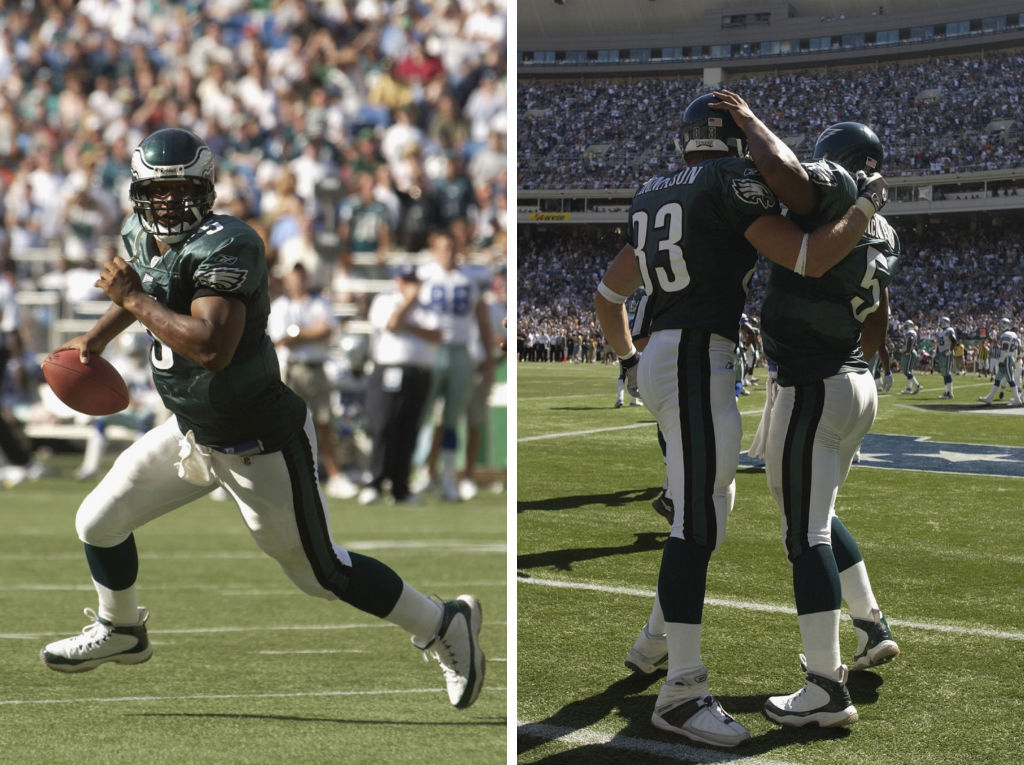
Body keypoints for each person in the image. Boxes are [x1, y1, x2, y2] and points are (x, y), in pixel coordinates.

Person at [38, 129, 485, 711]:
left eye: (181, 191)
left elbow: (210, 347)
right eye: (158, 191)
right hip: (191, 430)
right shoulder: (138, 236)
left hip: (257, 442)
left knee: (323, 574)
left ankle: (441, 622)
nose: (168, 203)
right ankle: (123, 630)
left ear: (206, 189)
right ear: (138, 193)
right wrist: (94, 341)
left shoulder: (229, 243)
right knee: (97, 520)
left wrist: (132, 301)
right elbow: (145, 289)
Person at [594, 92, 889, 747]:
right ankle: (681, 691)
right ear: (733, 141)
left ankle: (653, 646)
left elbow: (610, 292)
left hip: (666, 359)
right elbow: (807, 256)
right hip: (699, 353)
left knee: (709, 510)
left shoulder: (651, 190)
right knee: (699, 521)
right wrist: (865, 207)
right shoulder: (730, 180)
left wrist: (627, 361)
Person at [738, 118, 902, 728]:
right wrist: (865, 358)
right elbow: (879, 314)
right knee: (818, 516)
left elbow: (786, 173)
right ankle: (870, 624)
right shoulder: (885, 228)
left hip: (815, 382)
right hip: (852, 382)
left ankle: (824, 687)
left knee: (803, 535)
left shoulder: (837, 186)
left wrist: (750, 122)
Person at [415, 229, 494, 502]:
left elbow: (482, 320)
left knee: (452, 419)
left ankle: (449, 479)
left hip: (461, 351)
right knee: (422, 414)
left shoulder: (470, 279)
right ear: (435, 249)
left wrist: (488, 360)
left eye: (452, 247)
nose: (448, 253)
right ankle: (422, 473)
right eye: (443, 247)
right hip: (431, 351)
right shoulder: (424, 276)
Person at [268, 263, 358, 500]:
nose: (298, 282)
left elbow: (326, 331)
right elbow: (280, 339)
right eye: (294, 278)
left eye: (301, 277)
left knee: (324, 422)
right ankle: (284, 476)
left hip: (316, 368)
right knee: (286, 425)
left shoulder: (320, 303)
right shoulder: (280, 306)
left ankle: (334, 474)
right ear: (287, 280)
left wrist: (297, 333)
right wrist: (308, 332)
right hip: (291, 369)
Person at [360, 264, 441, 506]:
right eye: (405, 280)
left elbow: (437, 334)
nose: (409, 285)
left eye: (412, 280)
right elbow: (393, 324)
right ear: (397, 281)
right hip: (389, 370)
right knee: (383, 426)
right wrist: (408, 305)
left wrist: (410, 325)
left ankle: (400, 488)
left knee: (409, 430)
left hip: (419, 372)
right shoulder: (386, 301)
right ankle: (375, 482)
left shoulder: (428, 305)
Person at [614, 288, 647, 408]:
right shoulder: (643, 312)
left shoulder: (627, 314)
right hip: (637, 346)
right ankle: (634, 399)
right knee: (637, 373)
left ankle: (620, 398)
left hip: (624, 345)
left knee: (623, 373)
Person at [978, 317, 1023, 405]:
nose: (1000, 326)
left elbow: (1005, 348)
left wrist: (1001, 360)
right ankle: (989, 398)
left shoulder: (1005, 335)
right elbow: (1016, 349)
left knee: (1011, 380)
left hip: (1006, 359)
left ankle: (1017, 400)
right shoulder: (1014, 334)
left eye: (1001, 325)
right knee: (997, 379)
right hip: (1010, 358)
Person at [898, 320, 922, 394]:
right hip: (911, 351)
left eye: (906, 325)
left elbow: (911, 339)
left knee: (906, 371)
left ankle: (916, 385)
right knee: (909, 371)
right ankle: (908, 388)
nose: (905, 327)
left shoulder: (910, 332)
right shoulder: (911, 332)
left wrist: (907, 351)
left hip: (910, 352)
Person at [936, 316, 957, 399]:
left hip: (947, 352)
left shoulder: (949, 330)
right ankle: (946, 392)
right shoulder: (941, 332)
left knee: (947, 372)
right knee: (944, 373)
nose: (940, 324)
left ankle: (950, 393)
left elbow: (954, 341)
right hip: (942, 353)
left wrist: (950, 351)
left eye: (941, 322)